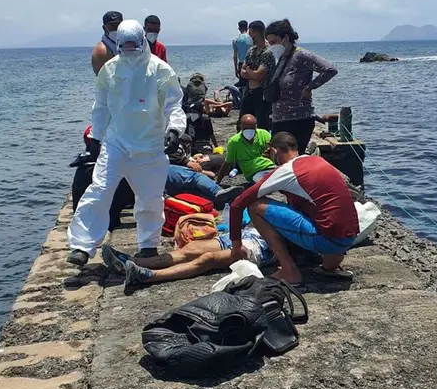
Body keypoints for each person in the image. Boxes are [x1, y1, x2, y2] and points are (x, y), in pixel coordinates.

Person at [66, 20, 186, 266]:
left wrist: (174, 129)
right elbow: (100, 107)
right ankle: (82, 245)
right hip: (116, 142)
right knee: (99, 190)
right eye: (125, 47)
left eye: (134, 46)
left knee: (150, 198)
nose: (130, 52)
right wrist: (96, 139)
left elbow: (174, 103)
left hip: (150, 145)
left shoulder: (161, 70)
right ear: (118, 45)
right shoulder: (109, 70)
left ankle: (148, 245)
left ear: (142, 42)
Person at [229, 132, 359, 285]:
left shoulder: (286, 170)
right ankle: (331, 261)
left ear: (274, 151)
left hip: (328, 239)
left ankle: (289, 270)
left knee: (255, 206)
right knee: (309, 203)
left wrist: (236, 247)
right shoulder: (317, 160)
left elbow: (237, 205)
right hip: (349, 236)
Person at [101, 227, 276, 287]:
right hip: (248, 234)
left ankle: (147, 276)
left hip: (261, 247)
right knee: (189, 249)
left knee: (208, 259)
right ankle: (131, 262)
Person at [265, 19, 338, 154]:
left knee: (292, 159)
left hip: (299, 118)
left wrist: (309, 87)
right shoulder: (281, 58)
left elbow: (330, 69)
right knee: (276, 157)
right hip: (278, 118)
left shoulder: (301, 56)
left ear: (285, 38)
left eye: (274, 42)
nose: (272, 46)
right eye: (269, 43)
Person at [216, 115, 275, 184]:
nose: (249, 131)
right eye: (246, 128)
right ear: (241, 127)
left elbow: (276, 150)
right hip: (254, 173)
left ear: (256, 126)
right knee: (265, 182)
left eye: (252, 128)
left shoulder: (264, 134)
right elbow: (228, 163)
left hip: (271, 167)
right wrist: (218, 181)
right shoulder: (234, 142)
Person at [238, 20, 275, 130]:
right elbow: (242, 72)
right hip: (249, 91)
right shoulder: (251, 51)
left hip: (262, 94)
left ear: (256, 33)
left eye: (251, 34)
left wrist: (249, 71)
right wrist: (251, 73)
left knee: (262, 125)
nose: (250, 37)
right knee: (243, 123)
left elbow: (259, 75)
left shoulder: (268, 52)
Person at [91, 11, 123, 75]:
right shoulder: (101, 49)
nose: (116, 28)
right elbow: (102, 79)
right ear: (104, 28)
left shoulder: (127, 42)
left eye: (118, 24)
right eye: (111, 26)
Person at [232, 20, 253, 93]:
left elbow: (235, 56)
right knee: (251, 85)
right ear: (247, 28)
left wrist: (235, 69)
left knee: (243, 85)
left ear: (239, 28)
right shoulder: (251, 38)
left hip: (241, 64)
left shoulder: (235, 40)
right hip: (251, 64)